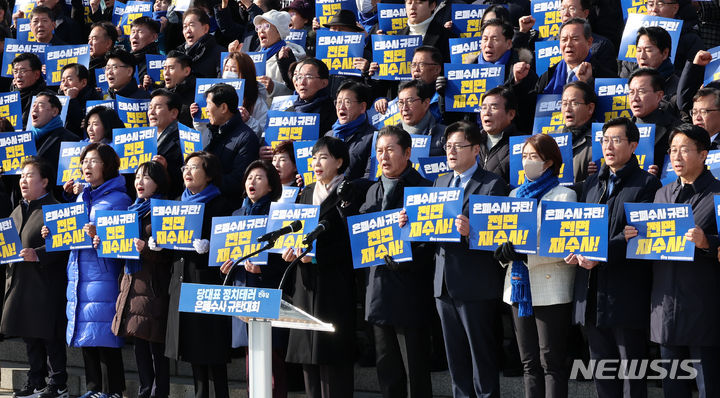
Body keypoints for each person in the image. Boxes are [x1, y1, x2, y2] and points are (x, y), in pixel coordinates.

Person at [403, 121, 508, 397]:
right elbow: (429, 231)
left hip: (475, 285)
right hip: (443, 286)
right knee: (456, 362)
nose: (450, 151)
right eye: (447, 146)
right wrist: (409, 222)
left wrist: (472, 231)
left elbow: (501, 236)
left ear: (476, 149)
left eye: (457, 146)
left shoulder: (493, 184)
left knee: (481, 360)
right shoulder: (440, 182)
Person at [625, 124, 720, 398]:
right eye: (673, 150)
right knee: (672, 387)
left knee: (708, 386)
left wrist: (708, 243)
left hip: (704, 306)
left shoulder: (717, 195)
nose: (676, 157)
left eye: (685, 150)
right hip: (665, 305)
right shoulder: (661, 195)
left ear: (704, 154)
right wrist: (635, 239)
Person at [571, 117, 661, 398]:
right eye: (604, 140)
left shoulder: (647, 184)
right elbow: (582, 230)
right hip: (592, 292)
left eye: (617, 140)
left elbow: (640, 235)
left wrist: (601, 254)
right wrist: (572, 249)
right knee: (602, 372)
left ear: (634, 145)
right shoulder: (591, 184)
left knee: (631, 375)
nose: (608, 146)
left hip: (626, 293)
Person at [494, 133, 577, 398]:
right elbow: (499, 239)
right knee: (528, 362)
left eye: (535, 157)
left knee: (551, 361)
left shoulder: (565, 195)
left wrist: (523, 252)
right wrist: (504, 252)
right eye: (525, 156)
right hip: (517, 287)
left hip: (551, 286)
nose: (528, 162)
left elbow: (564, 245)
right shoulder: (513, 194)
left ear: (550, 162)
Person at [359, 126, 435, 398]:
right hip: (378, 292)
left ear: (407, 152)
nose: (384, 157)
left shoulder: (424, 189)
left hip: (410, 293)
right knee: (387, 374)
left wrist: (406, 243)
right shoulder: (371, 192)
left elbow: (431, 247)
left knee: (415, 374)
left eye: (390, 150)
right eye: (379, 151)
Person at [281, 136, 359, 398]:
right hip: (304, 282)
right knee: (308, 358)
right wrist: (290, 251)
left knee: (331, 357)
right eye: (314, 157)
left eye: (323, 157)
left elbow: (352, 242)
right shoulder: (305, 193)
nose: (316, 162)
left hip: (333, 285)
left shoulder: (349, 192)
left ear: (339, 161)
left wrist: (316, 257)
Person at [53, 143, 131, 398]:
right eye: (84, 161)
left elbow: (125, 240)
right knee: (86, 331)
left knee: (105, 334)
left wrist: (102, 237)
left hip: (104, 274)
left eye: (93, 161)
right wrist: (52, 233)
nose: (87, 166)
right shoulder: (80, 197)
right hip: (79, 272)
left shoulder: (119, 198)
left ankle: (114, 390)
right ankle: (93, 388)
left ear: (107, 166)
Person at [164, 151, 234, 398]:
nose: (187, 172)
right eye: (185, 167)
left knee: (212, 348)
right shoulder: (176, 203)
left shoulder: (221, 204)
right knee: (193, 348)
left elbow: (229, 246)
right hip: (182, 281)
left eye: (194, 167)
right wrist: (158, 243)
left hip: (207, 284)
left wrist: (210, 245)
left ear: (210, 174)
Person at [1, 157, 70, 398]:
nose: (23, 180)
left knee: (49, 336)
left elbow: (66, 245)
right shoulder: (17, 210)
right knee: (30, 336)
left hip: (46, 284)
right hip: (20, 282)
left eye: (29, 175)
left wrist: (38, 254)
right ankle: (36, 380)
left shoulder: (56, 208)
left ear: (45, 181)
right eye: (21, 176)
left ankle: (58, 382)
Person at [220, 160, 289, 398]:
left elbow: (284, 259)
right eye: (250, 178)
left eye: (259, 178)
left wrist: (264, 270)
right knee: (252, 363)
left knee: (273, 364)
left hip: (267, 291)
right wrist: (227, 265)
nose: (252, 182)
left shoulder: (278, 216)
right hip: (243, 292)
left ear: (271, 186)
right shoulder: (236, 215)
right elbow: (226, 253)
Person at [110, 161, 172, 398]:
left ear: (158, 182)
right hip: (131, 283)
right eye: (137, 177)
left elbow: (170, 253)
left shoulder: (164, 210)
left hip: (153, 287)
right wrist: (101, 240)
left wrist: (147, 248)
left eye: (146, 177)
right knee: (140, 346)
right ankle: (145, 391)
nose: (139, 182)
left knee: (156, 347)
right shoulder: (130, 211)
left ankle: (158, 393)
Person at [197, 83, 260, 197]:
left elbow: (239, 181)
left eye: (208, 104)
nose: (205, 110)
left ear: (223, 108)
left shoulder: (246, 138)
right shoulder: (209, 131)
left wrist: (205, 180)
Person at [527, 18, 617, 96]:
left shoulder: (606, 78)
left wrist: (588, 84)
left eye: (575, 39)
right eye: (564, 40)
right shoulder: (548, 77)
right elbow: (532, 110)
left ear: (589, 42)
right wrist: (519, 82)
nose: (568, 44)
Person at [628, 67, 680, 175]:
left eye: (641, 92)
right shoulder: (622, 129)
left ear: (659, 96)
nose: (635, 98)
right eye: (631, 92)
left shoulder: (676, 130)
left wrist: (657, 176)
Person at [250, 10, 306, 101]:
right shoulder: (256, 58)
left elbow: (296, 92)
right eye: (259, 27)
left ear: (279, 32)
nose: (261, 31)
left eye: (266, 26)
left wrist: (274, 88)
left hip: (277, 113)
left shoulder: (289, 57)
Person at [328, 80, 375, 180]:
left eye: (347, 102)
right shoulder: (328, 136)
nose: (341, 107)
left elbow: (370, 176)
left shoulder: (373, 137)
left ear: (362, 107)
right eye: (339, 102)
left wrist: (347, 187)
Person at [619, 27, 679, 103]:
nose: (642, 56)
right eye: (639, 50)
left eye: (648, 50)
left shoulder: (677, 90)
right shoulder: (627, 79)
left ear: (665, 53)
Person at [645, 0, 705, 75]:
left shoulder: (690, 39)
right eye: (650, 4)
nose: (654, 9)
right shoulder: (637, 34)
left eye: (660, 4)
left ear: (675, 8)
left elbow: (694, 75)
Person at [556, 81, 597, 183]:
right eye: (564, 103)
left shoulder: (600, 140)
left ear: (590, 108)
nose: (567, 109)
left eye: (574, 103)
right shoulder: (551, 139)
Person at [478, 86, 520, 184]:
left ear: (511, 114)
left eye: (494, 107)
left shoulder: (521, 145)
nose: (486, 113)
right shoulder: (472, 142)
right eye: (483, 108)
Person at [221, 52, 269, 139]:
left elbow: (262, 135)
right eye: (226, 69)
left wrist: (249, 121)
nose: (228, 73)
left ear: (245, 74)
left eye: (234, 70)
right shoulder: (217, 96)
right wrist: (198, 120)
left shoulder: (257, 102)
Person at [284, 58, 336, 135]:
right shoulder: (289, 112)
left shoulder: (334, 110)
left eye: (309, 77)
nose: (302, 82)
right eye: (299, 77)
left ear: (324, 83)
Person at [148, 89, 185, 198]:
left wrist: (166, 168)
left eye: (158, 107)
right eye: (150, 107)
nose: (151, 112)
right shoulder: (144, 138)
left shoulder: (183, 139)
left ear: (173, 113)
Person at [395, 80, 445, 156]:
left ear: (425, 103)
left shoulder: (445, 135)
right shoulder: (391, 137)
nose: (404, 108)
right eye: (401, 103)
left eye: (410, 101)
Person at [175, 8, 226, 78]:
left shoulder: (220, 53)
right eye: (185, 27)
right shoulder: (178, 55)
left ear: (205, 28)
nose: (188, 30)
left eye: (191, 25)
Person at [59, 63, 103, 138]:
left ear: (83, 82)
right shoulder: (58, 100)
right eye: (63, 80)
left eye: (69, 79)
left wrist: (72, 100)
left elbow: (79, 125)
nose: (65, 84)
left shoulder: (95, 99)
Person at [11, 53, 47, 127]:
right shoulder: (8, 98)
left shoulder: (48, 98)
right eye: (15, 72)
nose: (18, 75)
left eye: (22, 71)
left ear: (36, 74)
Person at [161, 51, 195, 126]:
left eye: (171, 68)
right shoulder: (160, 94)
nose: (166, 73)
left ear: (186, 71)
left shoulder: (196, 96)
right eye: (165, 68)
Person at [129, 16, 161, 82]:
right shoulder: (124, 61)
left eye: (140, 32)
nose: (134, 36)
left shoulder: (159, 62)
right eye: (133, 32)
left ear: (154, 37)